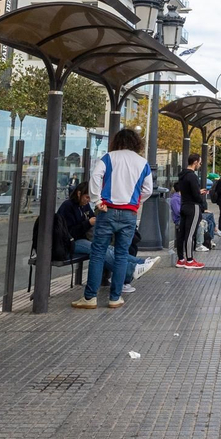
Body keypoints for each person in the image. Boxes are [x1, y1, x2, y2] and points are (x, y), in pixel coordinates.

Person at [73, 127, 152, 309]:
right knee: (122, 255)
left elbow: (95, 177)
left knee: (98, 253)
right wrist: (135, 202)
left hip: (106, 211)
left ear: (117, 141)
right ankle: (115, 297)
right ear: (136, 143)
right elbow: (148, 189)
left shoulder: (108, 158)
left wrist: (97, 200)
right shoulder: (142, 163)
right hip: (129, 213)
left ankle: (90, 298)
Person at [46, 183, 135, 293]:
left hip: (84, 239)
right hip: (71, 242)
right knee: (99, 250)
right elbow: (68, 232)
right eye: (87, 197)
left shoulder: (84, 206)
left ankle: (140, 263)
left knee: (109, 249)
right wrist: (88, 223)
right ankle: (130, 271)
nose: (88, 200)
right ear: (79, 194)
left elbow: (92, 217)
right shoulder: (68, 206)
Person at [173, 153, 206, 269]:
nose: (200, 165)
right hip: (193, 206)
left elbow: (186, 191)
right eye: (200, 162)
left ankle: (181, 259)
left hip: (184, 205)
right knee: (190, 234)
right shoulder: (192, 176)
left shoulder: (182, 175)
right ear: (195, 162)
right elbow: (195, 194)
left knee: (182, 233)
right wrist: (200, 195)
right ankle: (190, 260)